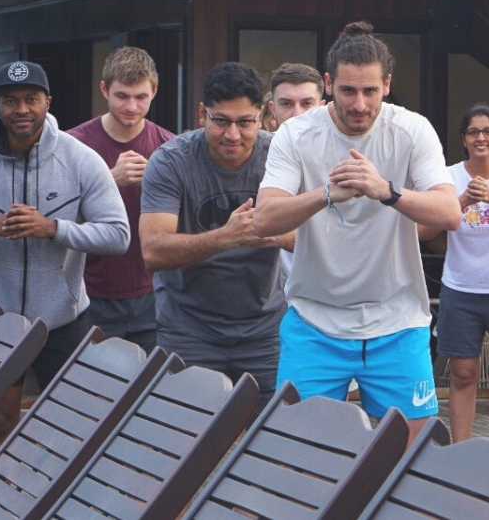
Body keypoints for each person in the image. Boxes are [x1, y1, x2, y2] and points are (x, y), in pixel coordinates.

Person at [255, 21, 459, 444]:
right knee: (297, 457)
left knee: (408, 460)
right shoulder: (297, 133)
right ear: (328, 84)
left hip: (397, 320)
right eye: (348, 90)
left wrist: (384, 190)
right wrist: (327, 194)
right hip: (315, 320)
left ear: (387, 84)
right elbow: (264, 218)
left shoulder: (411, 129)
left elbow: (449, 211)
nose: (360, 104)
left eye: (370, 91)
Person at [0, 60, 129, 472]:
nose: (22, 109)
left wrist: (54, 229)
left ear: (47, 102)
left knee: (75, 429)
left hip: (64, 318)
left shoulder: (80, 159)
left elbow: (119, 235)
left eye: (31, 99)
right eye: (11, 100)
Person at [139, 62, 286, 410]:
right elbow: (153, 251)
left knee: (275, 444)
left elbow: (313, 236)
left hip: (266, 330)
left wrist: (266, 232)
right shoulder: (171, 161)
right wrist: (227, 236)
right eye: (220, 121)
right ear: (202, 113)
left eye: (244, 122)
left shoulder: (280, 156)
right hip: (189, 328)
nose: (232, 135)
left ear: (262, 115)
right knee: (182, 443)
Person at [418, 104, 489, 444]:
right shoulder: (447, 177)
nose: (481, 138)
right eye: (473, 132)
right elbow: (423, 228)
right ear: (464, 139)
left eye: (488, 132)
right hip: (460, 289)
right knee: (463, 374)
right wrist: (461, 201)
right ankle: (460, 452)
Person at [68, 46, 174, 354]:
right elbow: (50, 219)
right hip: (89, 292)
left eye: (140, 97)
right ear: (104, 90)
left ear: (154, 91)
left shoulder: (170, 148)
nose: (131, 106)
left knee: (151, 393)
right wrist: (109, 180)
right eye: (122, 96)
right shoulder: (73, 146)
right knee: (93, 391)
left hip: (154, 293)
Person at [265, 62, 325, 301]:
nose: (297, 113)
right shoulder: (254, 156)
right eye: (286, 104)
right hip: (267, 300)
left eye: (307, 104)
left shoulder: (345, 157)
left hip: (327, 295)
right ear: (273, 108)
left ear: (322, 106)